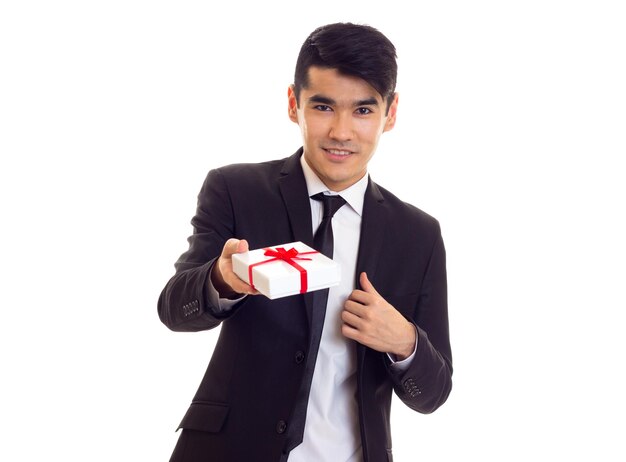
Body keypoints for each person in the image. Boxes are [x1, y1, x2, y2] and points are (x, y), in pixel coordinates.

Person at [158, 22, 452, 462]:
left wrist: (404, 341)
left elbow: (433, 393)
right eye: (323, 106)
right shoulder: (235, 189)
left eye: (363, 111)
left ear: (390, 114)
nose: (340, 131)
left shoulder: (418, 234)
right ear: (294, 104)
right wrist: (221, 280)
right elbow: (173, 310)